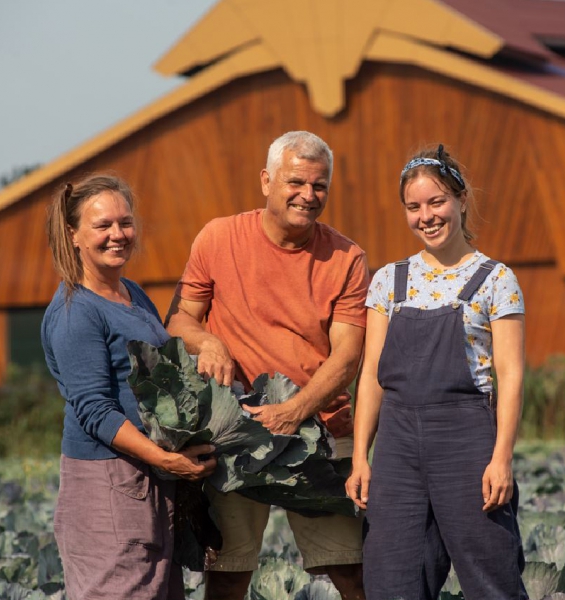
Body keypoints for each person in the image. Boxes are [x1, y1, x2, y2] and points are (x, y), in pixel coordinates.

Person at [167, 131, 369, 600]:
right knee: (230, 573)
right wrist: (208, 342)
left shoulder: (348, 258)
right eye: (296, 182)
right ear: (266, 180)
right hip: (237, 430)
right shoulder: (218, 237)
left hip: (322, 430)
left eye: (320, 186)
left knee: (351, 573)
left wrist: (296, 410)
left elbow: (348, 357)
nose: (308, 195)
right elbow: (179, 320)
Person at [346, 145, 529, 600]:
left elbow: (510, 377)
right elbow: (371, 375)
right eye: (414, 207)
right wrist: (359, 457)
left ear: (461, 200)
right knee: (392, 576)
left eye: (436, 202)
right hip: (397, 444)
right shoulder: (390, 279)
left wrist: (501, 457)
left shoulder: (495, 279)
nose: (426, 216)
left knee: (491, 571)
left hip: (466, 440)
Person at [41, 173, 217, 600]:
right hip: (108, 481)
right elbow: (95, 411)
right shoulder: (75, 311)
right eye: (103, 226)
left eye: (125, 222)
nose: (117, 235)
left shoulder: (132, 294)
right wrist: (165, 459)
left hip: (151, 478)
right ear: (74, 234)